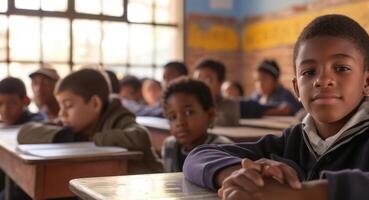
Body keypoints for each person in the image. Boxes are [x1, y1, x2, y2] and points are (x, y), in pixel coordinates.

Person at [183, 14, 369, 200]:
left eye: (341, 68)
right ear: (296, 88)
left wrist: (301, 194)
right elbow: (198, 157)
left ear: (368, 82)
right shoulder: (293, 141)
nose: (323, 80)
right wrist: (243, 175)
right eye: (309, 72)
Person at [18, 68, 163, 174]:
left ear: (95, 104)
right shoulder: (74, 125)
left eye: (68, 105)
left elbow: (139, 135)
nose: (62, 113)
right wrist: (73, 136)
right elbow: (26, 131)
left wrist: (93, 138)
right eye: (61, 106)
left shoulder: (117, 116)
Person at [161, 77, 232, 172]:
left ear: (210, 114)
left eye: (188, 112)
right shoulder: (169, 146)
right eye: (173, 117)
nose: (180, 122)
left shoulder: (222, 148)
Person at [193, 59, 240, 126]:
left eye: (208, 80)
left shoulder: (230, 104)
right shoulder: (189, 104)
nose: (201, 84)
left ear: (220, 83)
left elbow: (225, 122)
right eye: (197, 80)